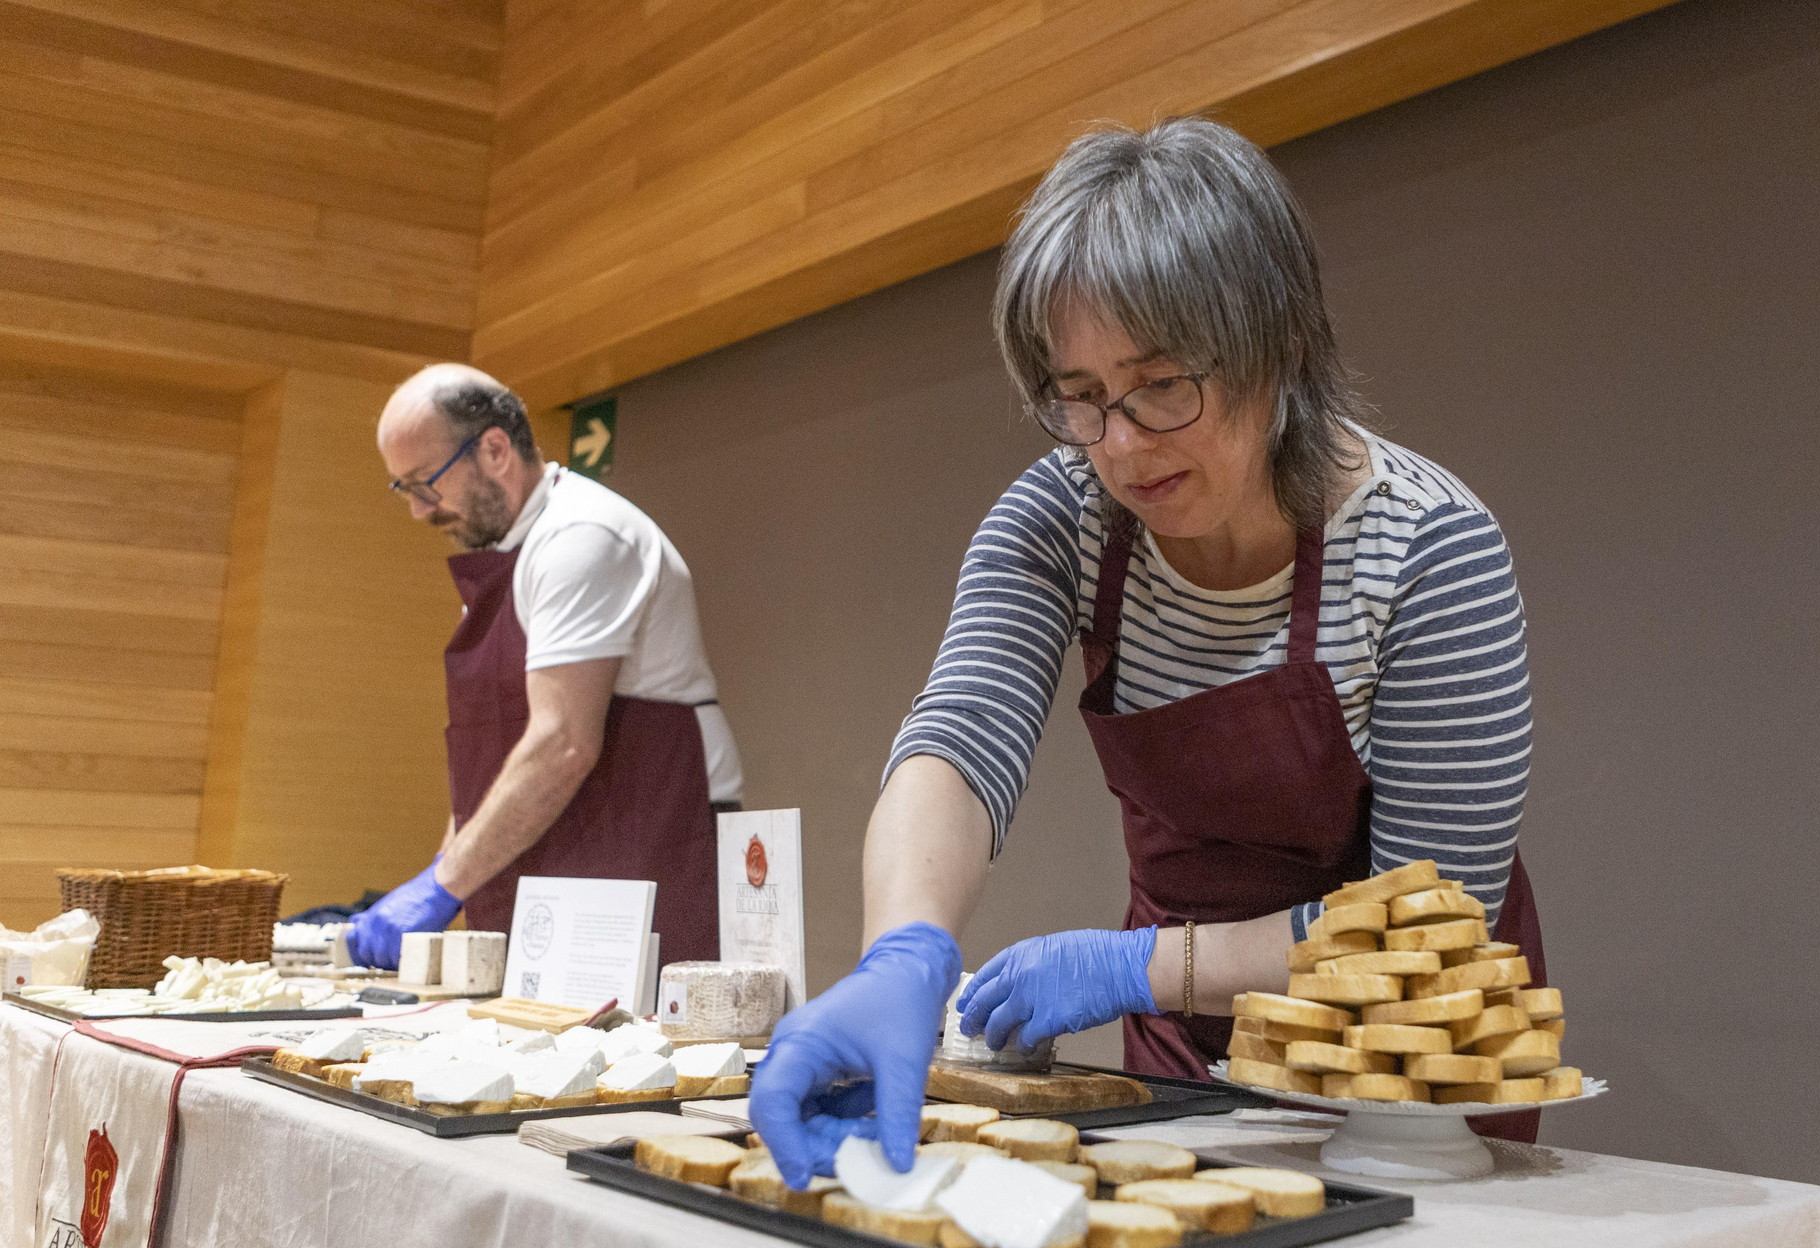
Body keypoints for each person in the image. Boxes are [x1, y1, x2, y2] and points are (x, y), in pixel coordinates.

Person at [750, 119, 1545, 1188]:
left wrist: (1142, 964)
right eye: (1077, 395)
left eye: (1161, 382)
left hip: (1403, 1069)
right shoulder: (1062, 519)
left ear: (1284, 345)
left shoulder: (1425, 547)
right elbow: (957, 736)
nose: (1118, 444)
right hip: (1177, 1036)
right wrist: (902, 947)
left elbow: (1431, 911)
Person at [349, 365, 744, 974]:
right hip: (567, 840)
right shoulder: (510, 553)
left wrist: (441, 886)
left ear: (495, 449)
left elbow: (562, 744)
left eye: (424, 484)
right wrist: (444, 867)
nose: (420, 513)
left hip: (649, 832)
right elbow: (495, 757)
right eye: (405, 490)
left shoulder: (581, 537)